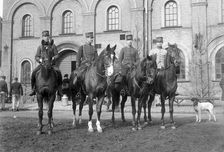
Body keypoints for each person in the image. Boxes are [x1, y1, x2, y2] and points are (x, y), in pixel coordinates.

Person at [29, 30, 62, 96]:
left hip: (51, 65)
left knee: (59, 72)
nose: (46, 38)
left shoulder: (53, 46)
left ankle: (59, 89)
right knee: (34, 72)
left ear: (49, 37)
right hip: (42, 65)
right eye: (44, 36)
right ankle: (33, 89)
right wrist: (40, 60)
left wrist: (53, 58)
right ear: (42, 37)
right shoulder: (40, 47)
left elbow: (57, 55)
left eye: (47, 36)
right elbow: (36, 56)